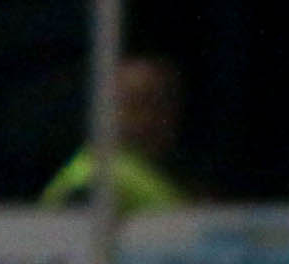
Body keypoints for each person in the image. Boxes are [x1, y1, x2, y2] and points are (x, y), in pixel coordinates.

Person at [42, 51, 191, 211]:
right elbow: (81, 233)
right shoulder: (95, 180)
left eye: (163, 102)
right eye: (137, 103)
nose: (152, 116)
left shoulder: (146, 172)